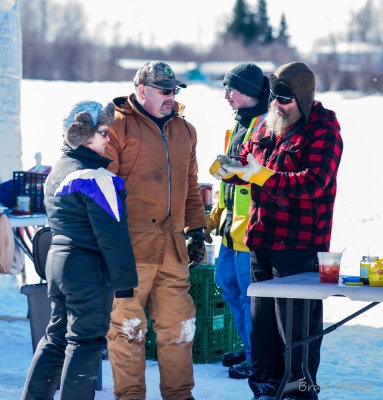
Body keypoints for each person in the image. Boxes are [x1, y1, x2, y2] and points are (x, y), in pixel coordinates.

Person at [210, 62, 343, 399]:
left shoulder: (323, 129)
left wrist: (264, 176)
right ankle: (266, 389)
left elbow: (314, 181)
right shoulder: (268, 124)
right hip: (260, 242)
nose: (278, 105)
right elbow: (247, 158)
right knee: (264, 331)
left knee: (295, 333)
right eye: (274, 97)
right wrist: (233, 169)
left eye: (285, 99)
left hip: (298, 248)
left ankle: (299, 392)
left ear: (304, 98)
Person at [21, 101, 138, 400]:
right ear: (82, 136)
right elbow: (113, 237)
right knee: (85, 342)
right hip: (88, 271)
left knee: (55, 338)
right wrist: (125, 284)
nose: (108, 138)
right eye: (102, 132)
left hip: (58, 265)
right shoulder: (98, 178)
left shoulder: (56, 171)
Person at [104, 60, 207, 400]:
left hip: (173, 248)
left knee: (179, 327)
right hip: (130, 249)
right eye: (165, 90)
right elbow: (104, 188)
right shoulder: (117, 126)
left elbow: (191, 187)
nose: (171, 96)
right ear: (142, 90)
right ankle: (131, 395)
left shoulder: (185, 130)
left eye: (174, 90)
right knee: (127, 329)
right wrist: (110, 240)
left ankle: (179, 395)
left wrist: (196, 230)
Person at [205, 63, 269, 380]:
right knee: (226, 283)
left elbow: (260, 175)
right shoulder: (238, 125)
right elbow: (229, 178)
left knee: (249, 295)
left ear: (249, 92)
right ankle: (248, 347)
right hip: (230, 227)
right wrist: (217, 214)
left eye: (231, 89)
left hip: (252, 229)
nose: (226, 95)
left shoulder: (266, 125)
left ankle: (258, 356)